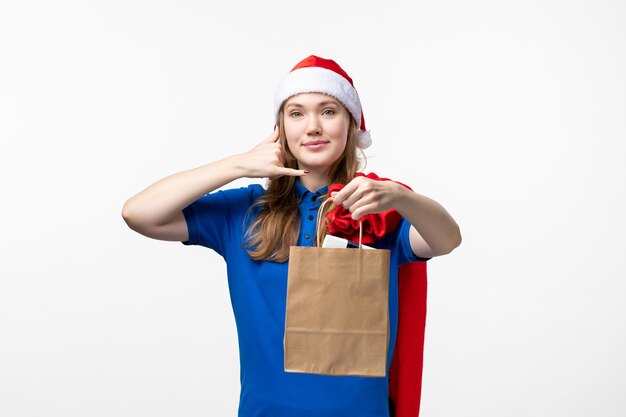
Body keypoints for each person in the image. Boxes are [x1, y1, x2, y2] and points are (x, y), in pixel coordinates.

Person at [122, 55, 461, 417]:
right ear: (280, 128)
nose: (312, 126)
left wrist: (402, 198)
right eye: (296, 113)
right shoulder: (245, 210)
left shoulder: (376, 210)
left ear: (350, 124)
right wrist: (238, 165)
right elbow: (139, 214)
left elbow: (446, 240)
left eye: (328, 111)